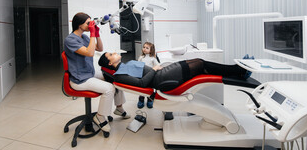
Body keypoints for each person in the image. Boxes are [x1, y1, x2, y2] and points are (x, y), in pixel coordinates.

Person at [64, 12, 130, 133]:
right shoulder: (70, 40)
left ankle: (119, 108)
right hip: (80, 79)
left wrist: (97, 34)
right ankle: (99, 117)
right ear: (79, 25)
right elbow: (90, 52)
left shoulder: (83, 37)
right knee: (109, 88)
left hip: (89, 74)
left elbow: (99, 48)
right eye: (88, 23)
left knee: (116, 78)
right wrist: (93, 33)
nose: (90, 25)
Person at [98, 52, 252, 91]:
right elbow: (143, 84)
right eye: (111, 54)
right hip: (160, 79)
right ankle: (238, 70)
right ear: (111, 63)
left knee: (200, 63)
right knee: (199, 65)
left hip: (161, 73)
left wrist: (155, 69)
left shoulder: (125, 65)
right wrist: (154, 69)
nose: (114, 53)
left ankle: (238, 70)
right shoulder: (119, 76)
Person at [137, 42, 160, 109]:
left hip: (150, 76)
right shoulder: (141, 57)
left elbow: (158, 65)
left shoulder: (153, 58)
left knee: (150, 88)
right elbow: (138, 64)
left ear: (151, 50)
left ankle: (150, 100)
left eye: (147, 48)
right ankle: (141, 100)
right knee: (142, 89)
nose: (144, 49)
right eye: (144, 47)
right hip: (142, 75)